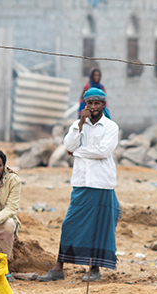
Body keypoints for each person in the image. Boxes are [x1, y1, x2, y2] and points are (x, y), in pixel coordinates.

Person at [39, 87, 120, 282]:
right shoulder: (77, 124)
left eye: (97, 103)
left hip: (102, 183)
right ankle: (59, 268)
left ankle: (94, 269)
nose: (93, 107)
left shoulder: (111, 127)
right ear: (85, 104)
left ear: (103, 105)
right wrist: (81, 125)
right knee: (70, 224)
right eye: (89, 103)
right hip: (81, 182)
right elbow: (68, 145)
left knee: (99, 226)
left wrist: (77, 152)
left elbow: (102, 151)